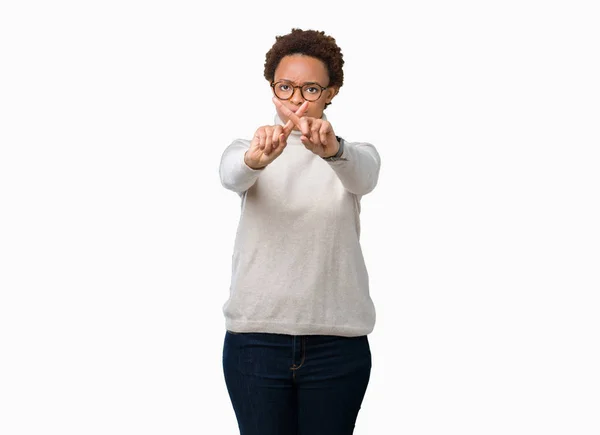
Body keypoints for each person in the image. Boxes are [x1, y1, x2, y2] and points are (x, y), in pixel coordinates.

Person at [218, 28, 381, 435]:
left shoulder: (353, 155)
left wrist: (334, 151)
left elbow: (364, 176)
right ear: (271, 87)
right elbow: (231, 175)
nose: (295, 99)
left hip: (337, 344)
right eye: (285, 86)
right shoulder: (248, 147)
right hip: (256, 342)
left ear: (331, 92)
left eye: (310, 88)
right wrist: (256, 160)